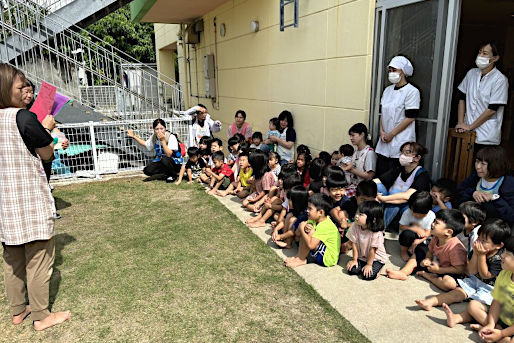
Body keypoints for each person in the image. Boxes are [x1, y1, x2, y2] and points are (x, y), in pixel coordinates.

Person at [0, 63, 71, 330]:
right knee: (39, 256)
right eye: (21, 88)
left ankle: (18, 311)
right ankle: (42, 316)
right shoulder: (24, 118)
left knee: (12, 258)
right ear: (6, 89)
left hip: (5, 202)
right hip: (28, 198)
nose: (26, 92)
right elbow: (47, 154)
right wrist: (47, 127)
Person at [415, 219, 509, 312]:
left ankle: (459, 318)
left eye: (484, 241)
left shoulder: (500, 258)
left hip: (491, 288)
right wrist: (476, 254)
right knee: (457, 293)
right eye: (478, 237)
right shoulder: (477, 249)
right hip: (474, 280)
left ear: (499, 245)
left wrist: (481, 255)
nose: (478, 242)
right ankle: (430, 302)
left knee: (477, 305)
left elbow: (486, 275)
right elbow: (472, 271)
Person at [444, 236, 514, 342]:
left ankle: (494, 334)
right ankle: (490, 330)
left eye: (507, 254)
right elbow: (497, 301)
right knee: (474, 305)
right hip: (500, 319)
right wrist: (491, 324)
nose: (502, 256)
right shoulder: (504, 274)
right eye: (503, 252)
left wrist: (502, 333)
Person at [386, 209, 467, 290]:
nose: (432, 224)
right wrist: (427, 259)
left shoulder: (456, 248)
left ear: (448, 232)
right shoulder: (436, 237)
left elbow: (459, 269)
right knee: (419, 252)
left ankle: (428, 276)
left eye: (436, 223)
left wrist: (440, 270)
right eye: (434, 221)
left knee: (449, 284)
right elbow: (430, 251)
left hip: (447, 271)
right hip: (434, 265)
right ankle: (403, 272)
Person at [456, 41, 509, 155]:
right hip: (466, 133)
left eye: (485, 53)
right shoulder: (471, 73)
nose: (480, 55)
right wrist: (461, 123)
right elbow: (462, 98)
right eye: (480, 52)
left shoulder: (500, 80)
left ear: (495, 58)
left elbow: (492, 109)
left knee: (481, 168)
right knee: (464, 167)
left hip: (486, 136)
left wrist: (470, 126)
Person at [375, 56, 420, 178]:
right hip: (384, 140)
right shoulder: (387, 90)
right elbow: (383, 113)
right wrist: (382, 131)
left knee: (395, 175)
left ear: (403, 71)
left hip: (401, 139)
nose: (391, 73)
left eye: (394, 70)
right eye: (389, 70)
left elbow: (410, 117)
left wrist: (392, 134)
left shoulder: (412, 91)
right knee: (381, 174)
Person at [374, 142, 431, 230]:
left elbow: (407, 196)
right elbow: (378, 181)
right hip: (390, 199)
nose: (402, 155)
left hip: (408, 204)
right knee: (376, 186)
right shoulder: (399, 169)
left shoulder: (422, 174)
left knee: (394, 205)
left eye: (407, 152)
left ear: (417, 158)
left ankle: (380, 229)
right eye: (402, 152)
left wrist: (383, 199)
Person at [456, 146, 514, 226]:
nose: (478, 167)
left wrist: (495, 198)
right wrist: (472, 192)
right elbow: (457, 194)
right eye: (477, 161)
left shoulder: (509, 183)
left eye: (483, 164)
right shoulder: (475, 177)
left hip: (492, 229)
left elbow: (511, 216)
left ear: (496, 165)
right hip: (469, 224)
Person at [285, 193, 340, 268]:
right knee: (307, 229)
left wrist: (302, 229)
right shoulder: (313, 219)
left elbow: (311, 245)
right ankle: (298, 257)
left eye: (310, 209)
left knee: (310, 232)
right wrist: (302, 228)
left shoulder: (325, 225)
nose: (307, 211)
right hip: (319, 250)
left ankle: (301, 259)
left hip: (328, 258)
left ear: (320, 212)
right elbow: (297, 234)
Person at [346, 201, 387, 281]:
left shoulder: (376, 233)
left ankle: (378, 269)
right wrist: (354, 260)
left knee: (368, 276)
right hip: (362, 257)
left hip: (376, 259)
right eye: (357, 213)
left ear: (373, 219)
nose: (356, 216)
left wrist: (369, 265)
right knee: (352, 270)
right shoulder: (355, 226)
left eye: (361, 214)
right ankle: (363, 265)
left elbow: (373, 250)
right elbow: (354, 244)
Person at [340, 123, 377, 197]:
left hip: (363, 189)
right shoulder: (356, 151)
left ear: (362, 135)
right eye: (350, 136)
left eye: (353, 135)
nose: (351, 138)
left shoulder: (369, 153)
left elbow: (369, 176)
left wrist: (351, 170)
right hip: (353, 185)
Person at [398, 191, 436, 262]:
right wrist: (415, 229)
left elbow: (428, 233)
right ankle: (404, 251)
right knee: (407, 234)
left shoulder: (431, 216)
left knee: (425, 253)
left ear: (427, 211)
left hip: (421, 239)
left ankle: (413, 249)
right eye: (412, 211)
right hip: (407, 237)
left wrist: (417, 242)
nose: (414, 214)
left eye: (417, 213)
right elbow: (401, 226)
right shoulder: (407, 212)